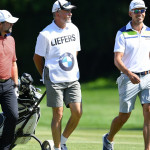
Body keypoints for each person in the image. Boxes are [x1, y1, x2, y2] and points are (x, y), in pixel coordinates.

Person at [33, 0, 82, 150]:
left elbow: (75, 51)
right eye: (67, 11)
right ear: (57, 13)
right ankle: (57, 148)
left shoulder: (74, 29)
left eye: (70, 11)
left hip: (72, 77)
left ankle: (62, 140)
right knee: (58, 114)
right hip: (53, 78)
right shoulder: (45, 34)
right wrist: (45, 76)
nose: (70, 14)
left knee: (77, 112)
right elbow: (37, 58)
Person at [102, 0, 150, 150]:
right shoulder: (122, 32)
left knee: (148, 112)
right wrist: (129, 74)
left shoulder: (149, 32)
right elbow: (117, 60)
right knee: (124, 116)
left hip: (148, 77)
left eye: (142, 10)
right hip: (128, 78)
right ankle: (109, 138)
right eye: (136, 11)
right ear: (130, 13)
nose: (140, 13)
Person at [0, 10, 19, 150]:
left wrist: (16, 84)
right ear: (0, 24)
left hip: (7, 85)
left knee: (13, 116)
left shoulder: (11, 39)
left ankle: (4, 147)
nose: (12, 24)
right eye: (9, 22)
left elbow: (13, 63)